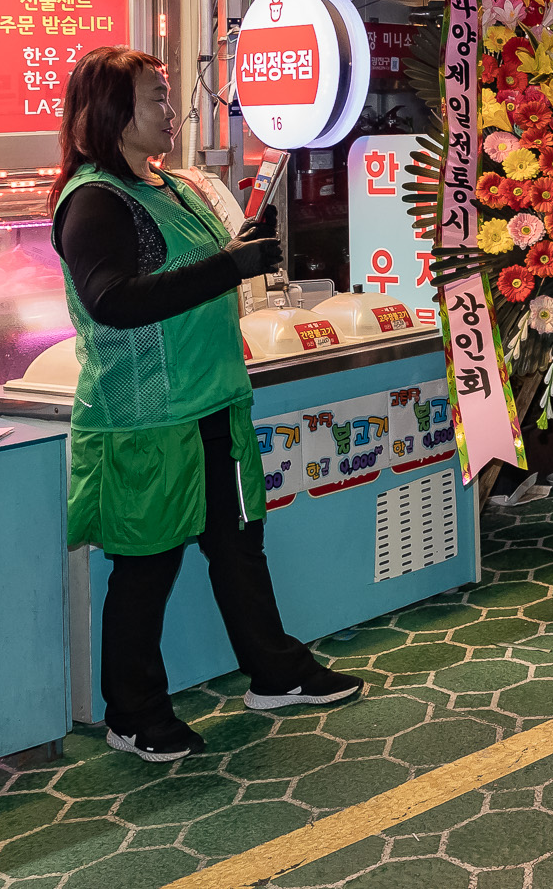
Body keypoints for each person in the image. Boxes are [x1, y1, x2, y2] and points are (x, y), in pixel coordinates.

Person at [51, 49, 356, 763]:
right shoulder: (93, 199)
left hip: (210, 401)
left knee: (237, 546)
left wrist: (239, 251)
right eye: (155, 98)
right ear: (112, 115)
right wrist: (229, 265)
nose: (171, 110)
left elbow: (189, 272)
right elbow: (114, 300)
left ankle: (275, 670)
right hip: (148, 417)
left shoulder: (174, 186)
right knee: (146, 566)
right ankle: (132, 711)